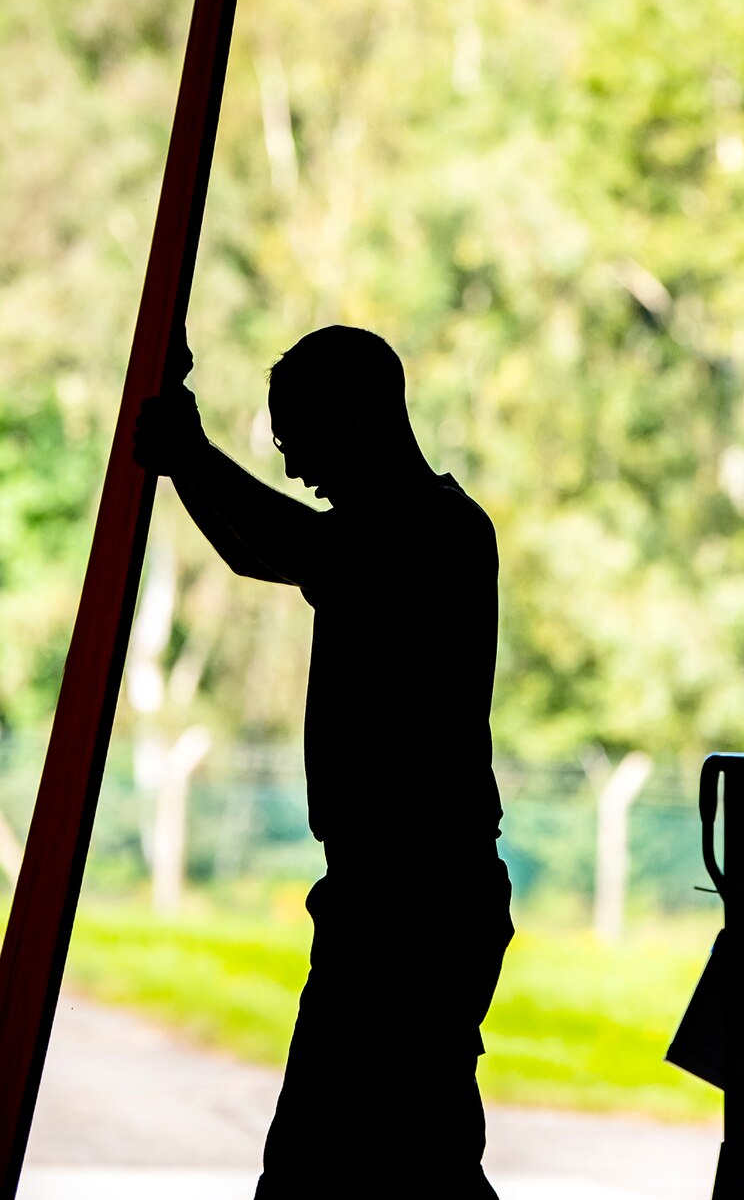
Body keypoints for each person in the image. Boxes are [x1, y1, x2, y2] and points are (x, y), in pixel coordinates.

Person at [134, 325, 512, 1198]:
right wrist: (184, 459)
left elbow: (299, 546)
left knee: (349, 1160)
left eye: (296, 442)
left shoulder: (440, 536)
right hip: (392, 898)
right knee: (404, 1155)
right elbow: (252, 546)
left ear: (359, 423)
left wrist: (190, 452)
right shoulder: (379, 537)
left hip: (417, 904)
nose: (296, 468)